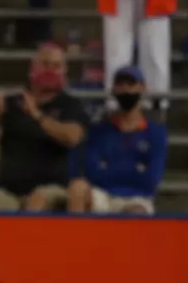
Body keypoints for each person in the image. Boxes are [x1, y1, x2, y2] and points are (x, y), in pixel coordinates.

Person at [0, 43, 87, 212]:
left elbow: (72, 137)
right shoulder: (12, 102)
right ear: (33, 67)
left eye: (56, 66)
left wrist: (37, 115)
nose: (50, 71)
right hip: (10, 192)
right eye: (45, 64)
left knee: (38, 199)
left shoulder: (71, 105)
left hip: (53, 189)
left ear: (64, 71)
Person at [69, 67, 166, 215]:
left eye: (131, 84)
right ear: (113, 90)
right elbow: (92, 172)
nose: (125, 89)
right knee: (78, 188)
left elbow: (151, 180)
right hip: (103, 195)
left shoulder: (155, 133)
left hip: (137, 198)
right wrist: (134, 169)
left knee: (137, 212)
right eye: (120, 84)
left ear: (142, 88)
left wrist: (110, 168)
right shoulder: (99, 131)